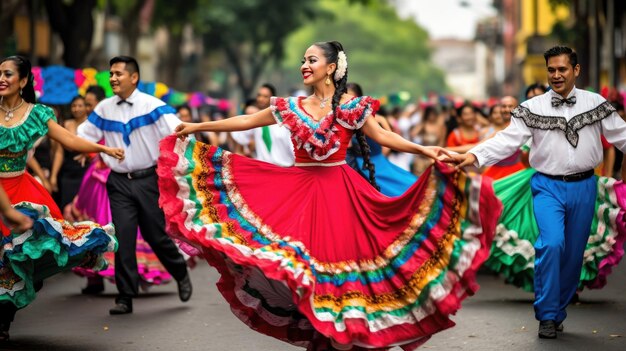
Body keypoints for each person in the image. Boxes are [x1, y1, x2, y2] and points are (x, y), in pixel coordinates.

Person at [160, 41, 501, 350]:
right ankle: (327, 334)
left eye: (311, 59)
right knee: (304, 270)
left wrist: (425, 148)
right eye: (303, 60)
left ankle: (342, 334)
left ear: (332, 67)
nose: (304, 65)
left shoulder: (352, 107)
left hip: (342, 197)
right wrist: (198, 127)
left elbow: (386, 139)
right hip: (298, 194)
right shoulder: (290, 106)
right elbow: (247, 120)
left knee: (337, 271)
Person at [449, 46, 626, 339]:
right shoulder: (531, 108)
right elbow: (507, 141)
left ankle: (558, 309)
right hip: (547, 185)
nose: (556, 75)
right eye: (551, 70)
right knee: (551, 244)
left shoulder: (597, 104)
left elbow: (622, 136)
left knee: (573, 255)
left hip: (585, 187)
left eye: (562, 69)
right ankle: (546, 315)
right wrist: (474, 156)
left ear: (576, 70)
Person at [0, 55, 122, 342]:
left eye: (7, 74)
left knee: (19, 258)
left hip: (23, 194)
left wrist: (102, 149)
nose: (1, 79)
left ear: (24, 80)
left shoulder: (38, 115)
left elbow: (69, 140)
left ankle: (4, 320)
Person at [77, 56, 192, 315]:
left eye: (118, 73)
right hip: (118, 182)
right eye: (111, 74)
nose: (113, 78)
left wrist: (177, 170)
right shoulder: (104, 108)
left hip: (149, 181)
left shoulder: (154, 106)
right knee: (123, 238)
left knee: (156, 235)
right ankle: (125, 297)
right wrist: (84, 149)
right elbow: (84, 136)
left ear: (134, 77)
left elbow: (181, 132)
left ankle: (180, 271)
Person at [345, 82, 417, 196]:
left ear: (359, 98)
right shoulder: (342, 120)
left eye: (350, 97)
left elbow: (387, 140)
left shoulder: (378, 119)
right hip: (355, 165)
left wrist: (378, 159)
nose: (347, 101)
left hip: (378, 164)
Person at [231, 83, 295, 167]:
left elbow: (294, 149)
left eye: (265, 96)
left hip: (285, 170)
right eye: (259, 95)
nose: (261, 99)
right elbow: (238, 136)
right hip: (263, 170)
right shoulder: (255, 120)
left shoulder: (284, 121)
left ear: (272, 98)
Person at [50, 95, 90, 215]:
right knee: (66, 208)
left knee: (84, 210)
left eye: (80, 106)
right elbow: (59, 153)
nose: (76, 109)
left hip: (85, 171)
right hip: (67, 173)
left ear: (86, 107)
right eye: (74, 106)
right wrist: (53, 176)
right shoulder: (66, 124)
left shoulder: (92, 125)